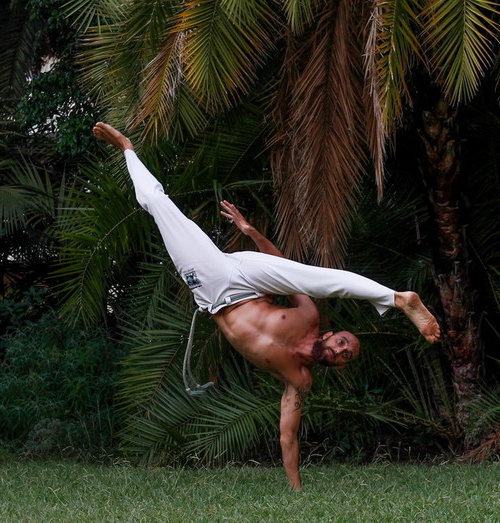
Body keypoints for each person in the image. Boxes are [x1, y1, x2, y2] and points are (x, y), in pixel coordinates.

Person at [93, 122, 441, 490]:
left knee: (160, 208)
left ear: (340, 366)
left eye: (346, 355)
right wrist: (251, 233)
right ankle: (128, 148)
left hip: (212, 290)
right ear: (330, 334)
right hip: (249, 278)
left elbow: (288, 435)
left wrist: (296, 488)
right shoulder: (308, 318)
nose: (341, 350)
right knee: (315, 277)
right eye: (343, 342)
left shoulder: (299, 379)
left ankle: (396, 299)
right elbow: (287, 273)